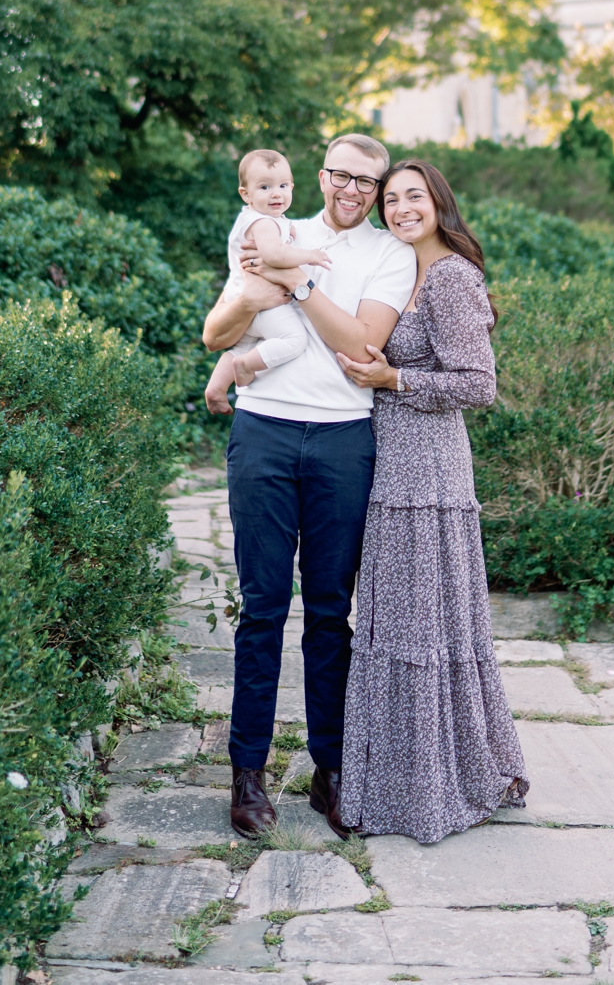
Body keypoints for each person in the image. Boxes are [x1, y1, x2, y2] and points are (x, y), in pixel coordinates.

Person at [202, 133, 417, 838]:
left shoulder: (390, 253)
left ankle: (331, 768)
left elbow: (362, 346)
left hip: (343, 440)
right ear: (321, 175)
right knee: (261, 607)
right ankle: (247, 773)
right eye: (344, 175)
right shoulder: (275, 225)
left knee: (330, 610)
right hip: (263, 431)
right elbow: (217, 328)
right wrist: (245, 315)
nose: (355, 190)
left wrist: (294, 283)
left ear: (379, 188)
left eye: (370, 181)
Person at [334, 158, 529, 845]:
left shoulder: (450, 277)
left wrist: (394, 377)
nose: (400, 208)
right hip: (392, 470)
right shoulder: (401, 271)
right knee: (395, 625)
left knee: (425, 629)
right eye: (391, 198)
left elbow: (478, 383)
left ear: (439, 202)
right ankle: (391, 780)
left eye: (413, 195)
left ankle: (435, 786)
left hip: (431, 478)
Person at [204, 149, 333, 413]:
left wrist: (287, 231)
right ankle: (246, 366)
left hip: (241, 299)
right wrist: (310, 255)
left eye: (283, 186)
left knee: (243, 345)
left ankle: (216, 388)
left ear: (292, 187)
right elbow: (274, 254)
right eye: (265, 187)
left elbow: (277, 240)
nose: (276, 193)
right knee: (294, 339)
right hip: (263, 304)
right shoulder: (262, 223)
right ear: (246, 194)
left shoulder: (266, 220)